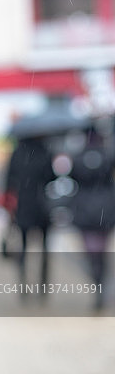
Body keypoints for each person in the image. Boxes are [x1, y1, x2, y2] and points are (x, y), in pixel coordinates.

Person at [69, 127, 115, 312]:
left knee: (91, 251)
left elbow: (71, 179)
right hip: (106, 208)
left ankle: (97, 282)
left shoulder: (77, 158)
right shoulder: (107, 156)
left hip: (85, 210)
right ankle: (101, 280)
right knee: (102, 250)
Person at [3, 135, 55, 289]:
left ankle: (23, 283)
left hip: (23, 204)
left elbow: (8, 181)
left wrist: (9, 208)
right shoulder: (45, 151)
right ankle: (43, 285)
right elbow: (51, 177)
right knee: (45, 248)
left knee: (24, 247)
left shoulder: (18, 153)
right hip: (43, 205)